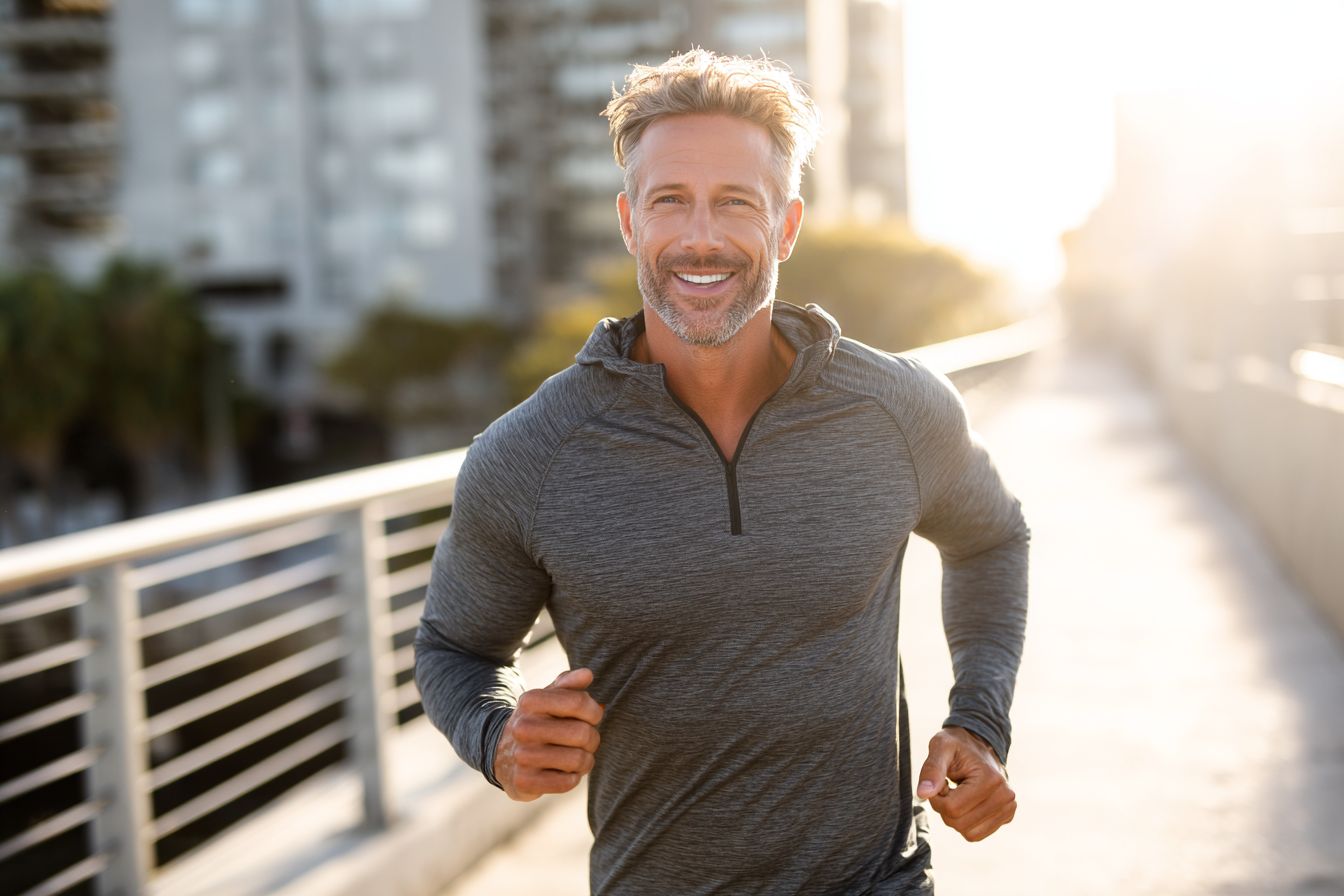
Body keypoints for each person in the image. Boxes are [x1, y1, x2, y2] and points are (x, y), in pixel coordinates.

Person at [415, 49, 1028, 895]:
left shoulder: (898, 409)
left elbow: (991, 537)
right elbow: (453, 648)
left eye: (735, 202)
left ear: (786, 225)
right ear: (632, 223)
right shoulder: (530, 453)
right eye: (671, 201)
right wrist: (497, 740)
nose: (701, 237)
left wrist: (980, 721)